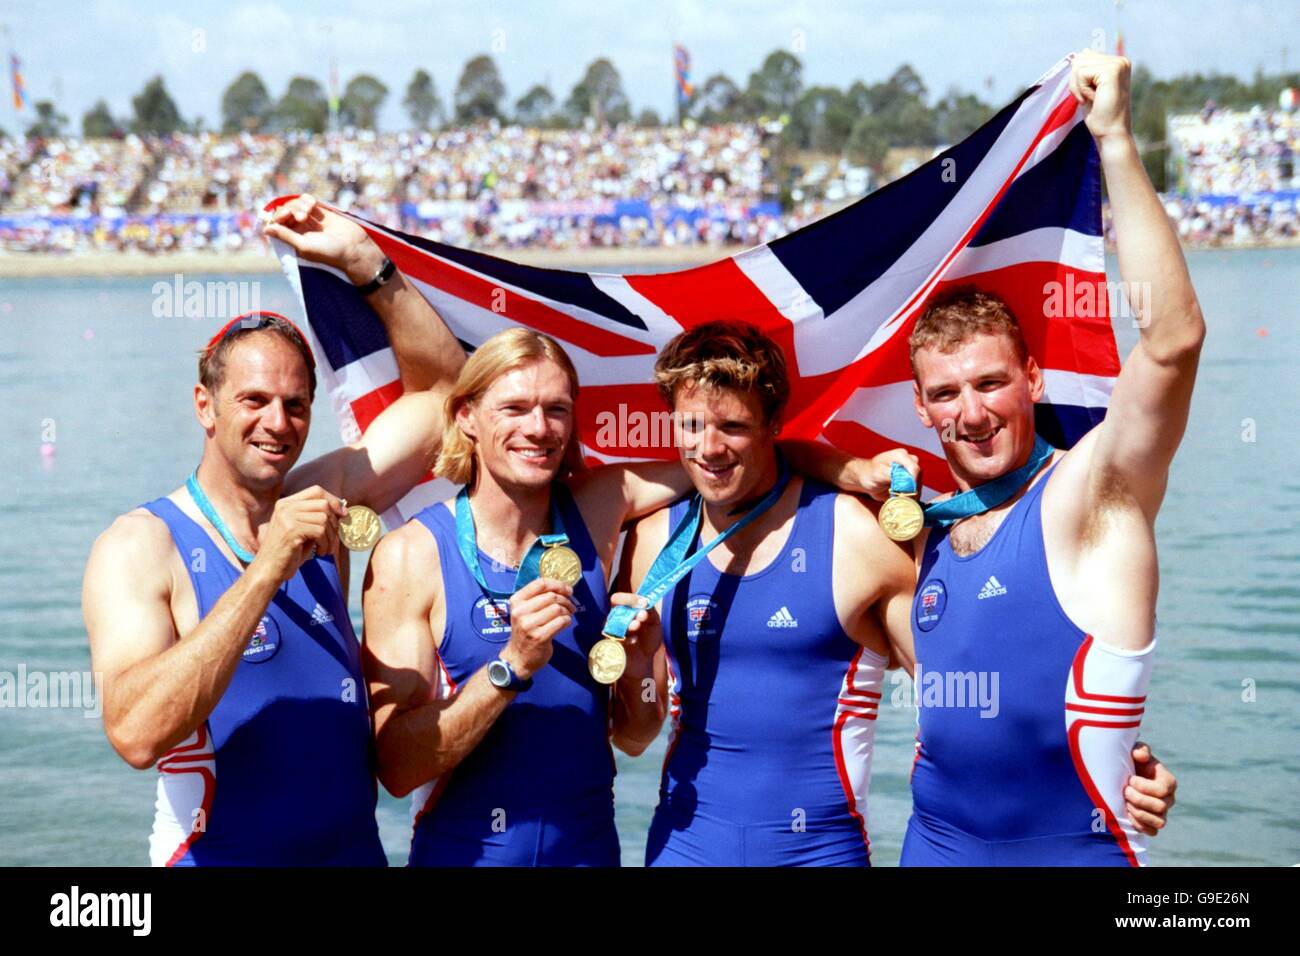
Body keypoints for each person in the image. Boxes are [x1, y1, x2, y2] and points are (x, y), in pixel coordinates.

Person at [877, 51, 1194, 865]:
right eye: (945, 395)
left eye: (991, 384)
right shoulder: (927, 532)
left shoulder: (1090, 497)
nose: (971, 413)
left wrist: (1115, 139)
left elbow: (1171, 342)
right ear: (920, 409)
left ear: (1033, 379)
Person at [83, 195, 467, 865]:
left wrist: (364, 264)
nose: (277, 422)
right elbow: (136, 733)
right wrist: (266, 568)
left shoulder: (326, 500)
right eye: (253, 401)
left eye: (296, 405)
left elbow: (444, 399)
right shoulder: (142, 546)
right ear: (204, 405)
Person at [608, 321, 919, 866]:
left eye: (732, 426)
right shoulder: (652, 542)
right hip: (684, 850)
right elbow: (635, 737)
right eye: (692, 425)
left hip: (820, 852)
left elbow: (949, 697)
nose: (709, 448)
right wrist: (636, 673)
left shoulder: (851, 533)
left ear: (774, 422)